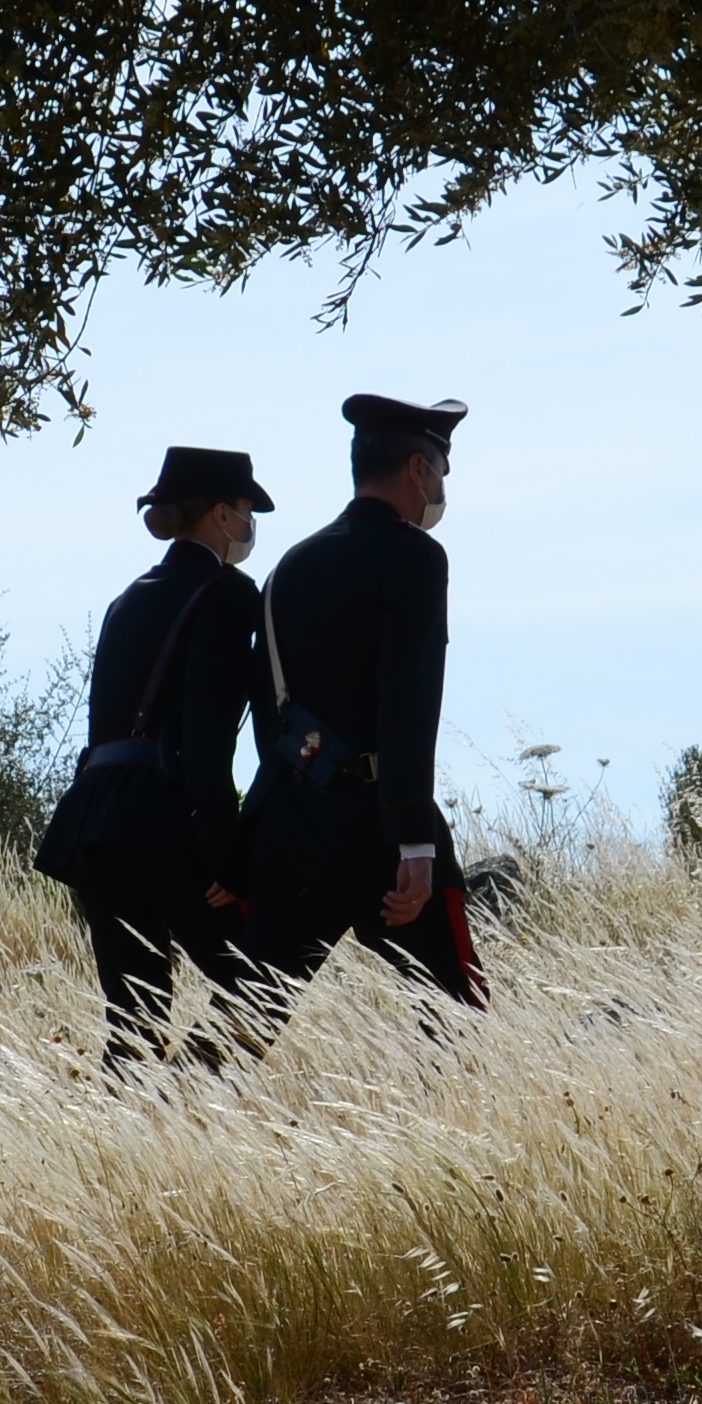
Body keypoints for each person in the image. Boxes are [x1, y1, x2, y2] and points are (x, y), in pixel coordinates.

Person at [220, 393, 485, 1036]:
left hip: (291, 824)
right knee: (458, 1023)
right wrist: (414, 841)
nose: (442, 489)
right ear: (419, 469)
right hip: (379, 828)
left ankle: (163, 1127)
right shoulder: (417, 558)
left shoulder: (289, 567)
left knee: (239, 1028)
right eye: (442, 473)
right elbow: (410, 702)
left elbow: (267, 711)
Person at [63, 445, 269, 1064]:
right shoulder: (229, 594)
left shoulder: (128, 596)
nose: (250, 523)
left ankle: (125, 1137)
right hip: (164, 822)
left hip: (95, 818)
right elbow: (208, 741)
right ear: (220, 516)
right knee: (259, 976)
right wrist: (225, 860)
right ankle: (184, 1104)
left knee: (132, 1017)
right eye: (245, 508)